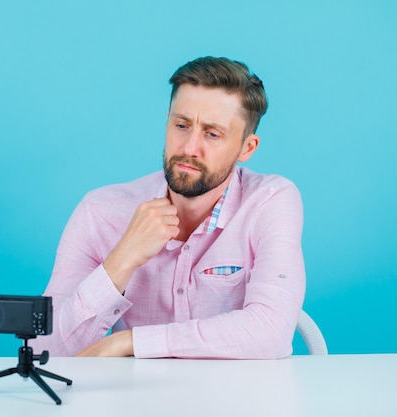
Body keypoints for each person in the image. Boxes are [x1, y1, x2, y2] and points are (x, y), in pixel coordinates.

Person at [32, 56, 305, 359]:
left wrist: (132, 342)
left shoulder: (269, 201)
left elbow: (271, 331)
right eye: (181, 125)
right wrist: (122, 259)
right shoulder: (100, 211)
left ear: (247, 148)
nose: (189, 148)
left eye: (212, 134)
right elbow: (45, 349)